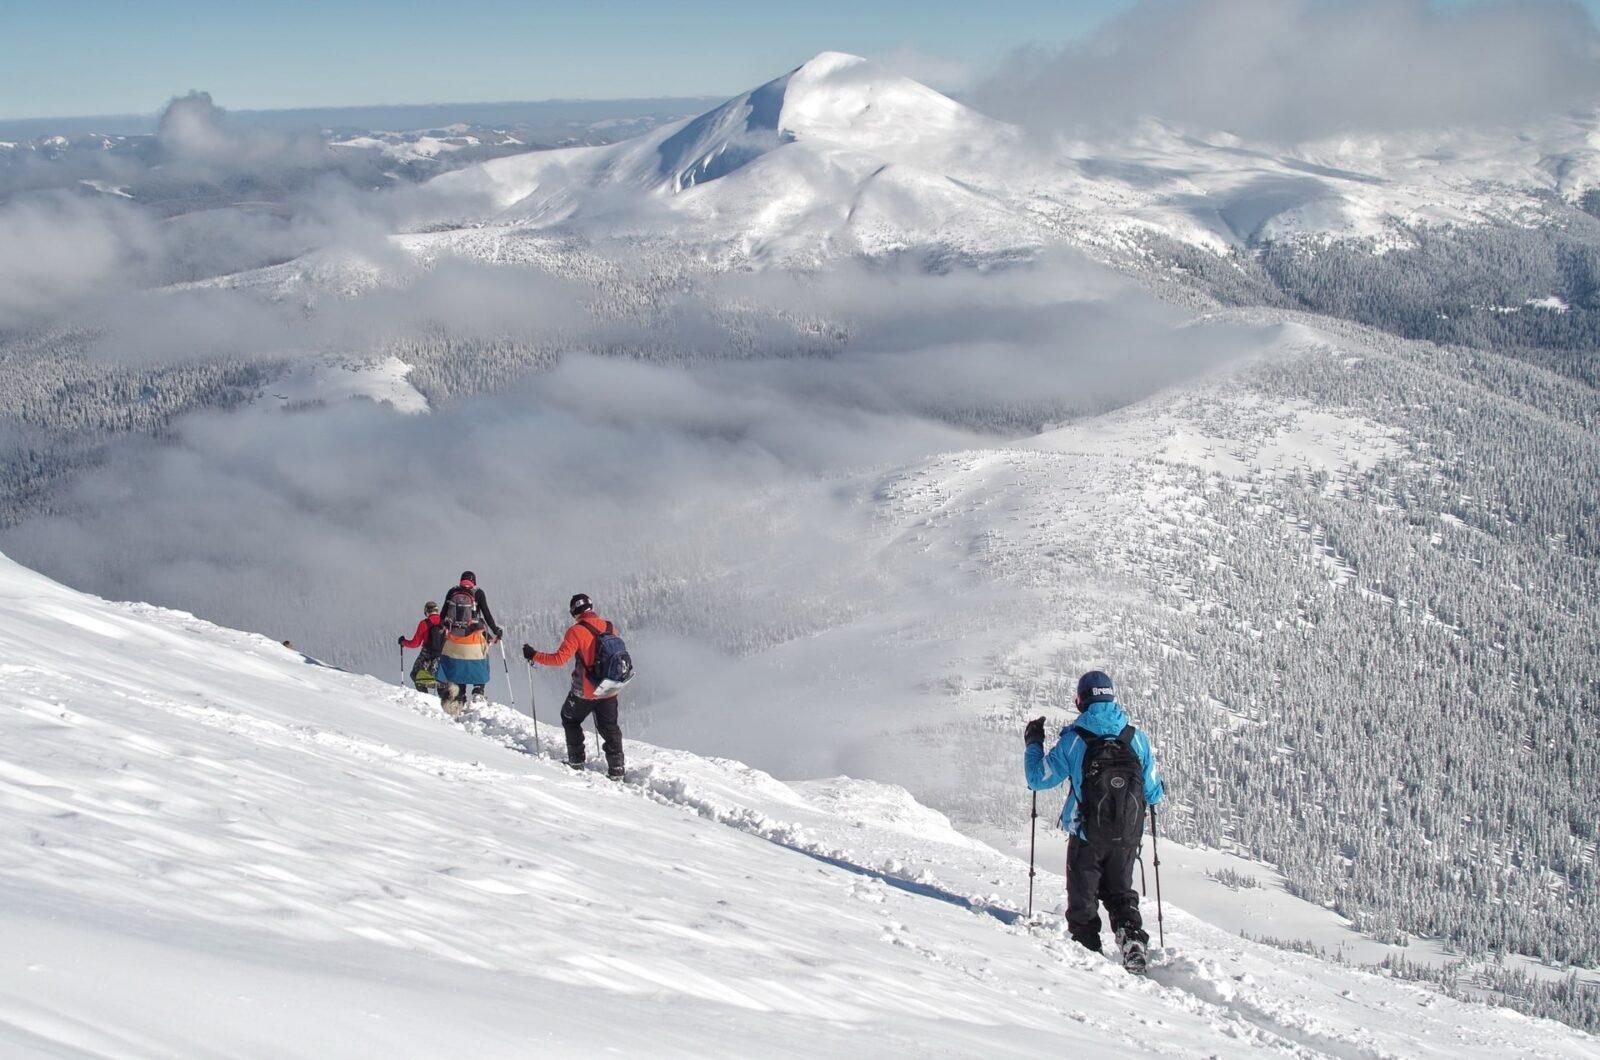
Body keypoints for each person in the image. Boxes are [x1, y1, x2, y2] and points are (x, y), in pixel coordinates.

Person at [1025, 670, 1164, 972]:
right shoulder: (1135, 738)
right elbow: (1154, 793)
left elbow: (1037, 779)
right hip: (1126, 837)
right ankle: (1132, 939)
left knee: (1083, 903)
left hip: (1086, 836)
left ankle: (1090, 962)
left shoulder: (1075, 741)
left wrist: (1034, 742)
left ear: (1080, 701)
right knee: (1120, 894)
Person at [523, 593, 625, 779]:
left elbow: (559, 659)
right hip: (610, 687)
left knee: (570, 718)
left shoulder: (576, 631)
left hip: (586, 690)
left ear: (574, 612)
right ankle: (617, 769)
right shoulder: (609, 627)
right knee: (610, 727)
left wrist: (534, 655)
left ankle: (576, 761)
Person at [436, 571, 503, 715]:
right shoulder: (478, 593)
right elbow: (487, 614)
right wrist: (496, 630)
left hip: (454, 640)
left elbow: (442, 616)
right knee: (481, 661)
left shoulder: (452, 592)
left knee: (458, 666)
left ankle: (460, 695)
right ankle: (478, 690)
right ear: (474, 582)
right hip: (473, 640)